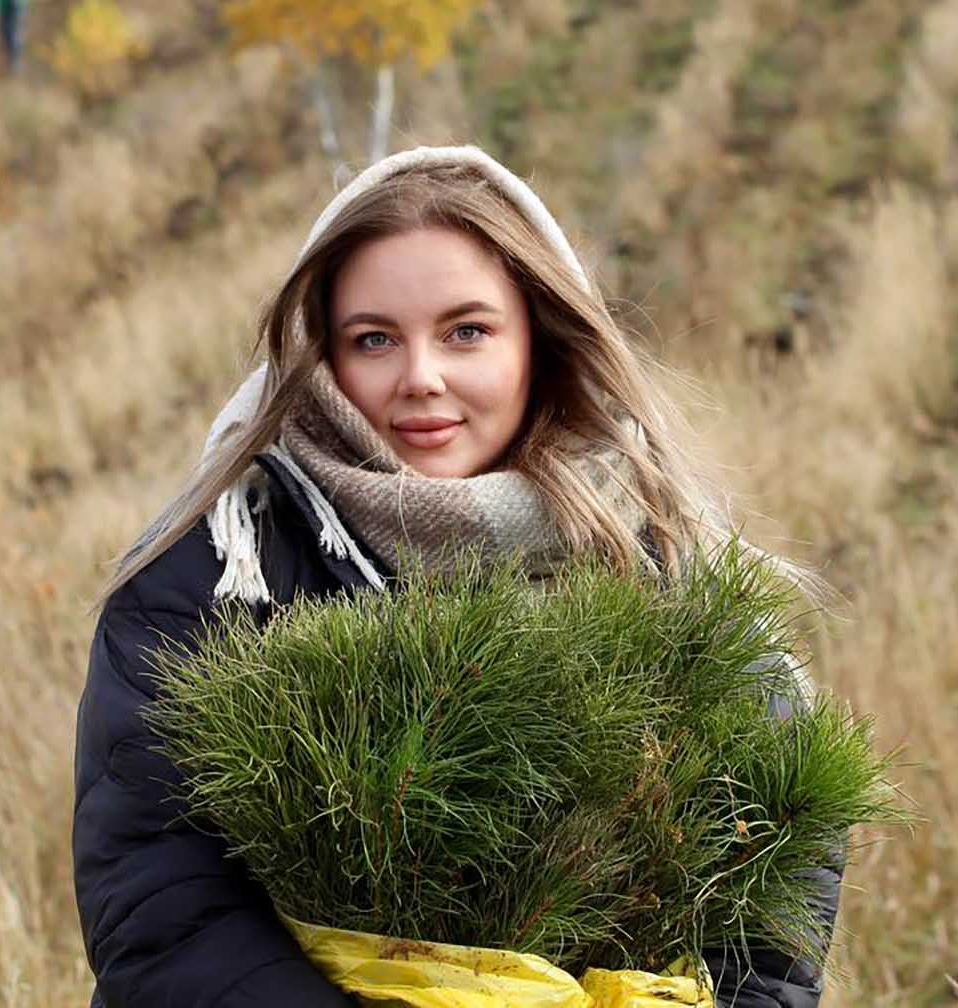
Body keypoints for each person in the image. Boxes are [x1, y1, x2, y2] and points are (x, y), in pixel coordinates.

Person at [72, 146, 845, 1008]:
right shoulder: (220, 576)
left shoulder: (653, 559)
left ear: (538, 341)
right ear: (322, 356)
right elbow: (159, 908)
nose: (421, 378)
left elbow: (775, 871)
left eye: (466, 331)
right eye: (374, 340)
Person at [0, 0, 27, 72]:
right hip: (7, 15)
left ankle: (14, 63)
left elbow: (15, 1)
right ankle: (11, 62)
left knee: (12, 37)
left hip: (10, 15)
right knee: (7, 37)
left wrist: (12, 13)